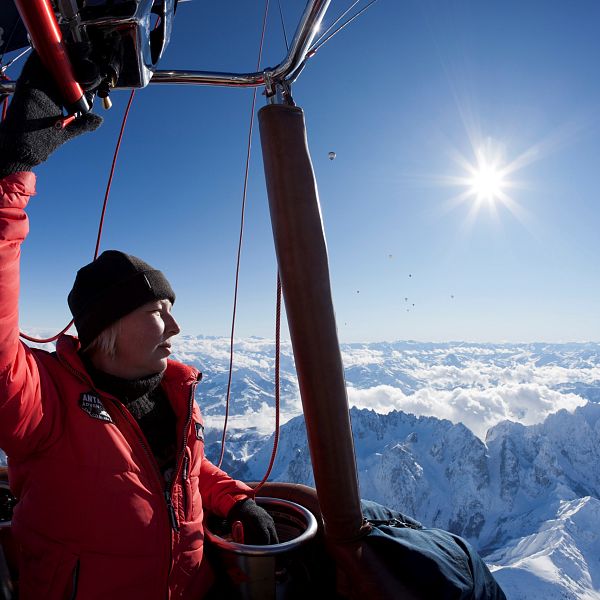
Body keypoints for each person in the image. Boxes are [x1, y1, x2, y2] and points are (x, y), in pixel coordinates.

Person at [0, 54, 278, 599]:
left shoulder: (173, 393)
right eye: (157, 311)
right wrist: (9, 177)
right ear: (105, 331)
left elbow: (182, 472)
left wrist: (234, 499)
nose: (174, 327)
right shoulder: (47, 405)